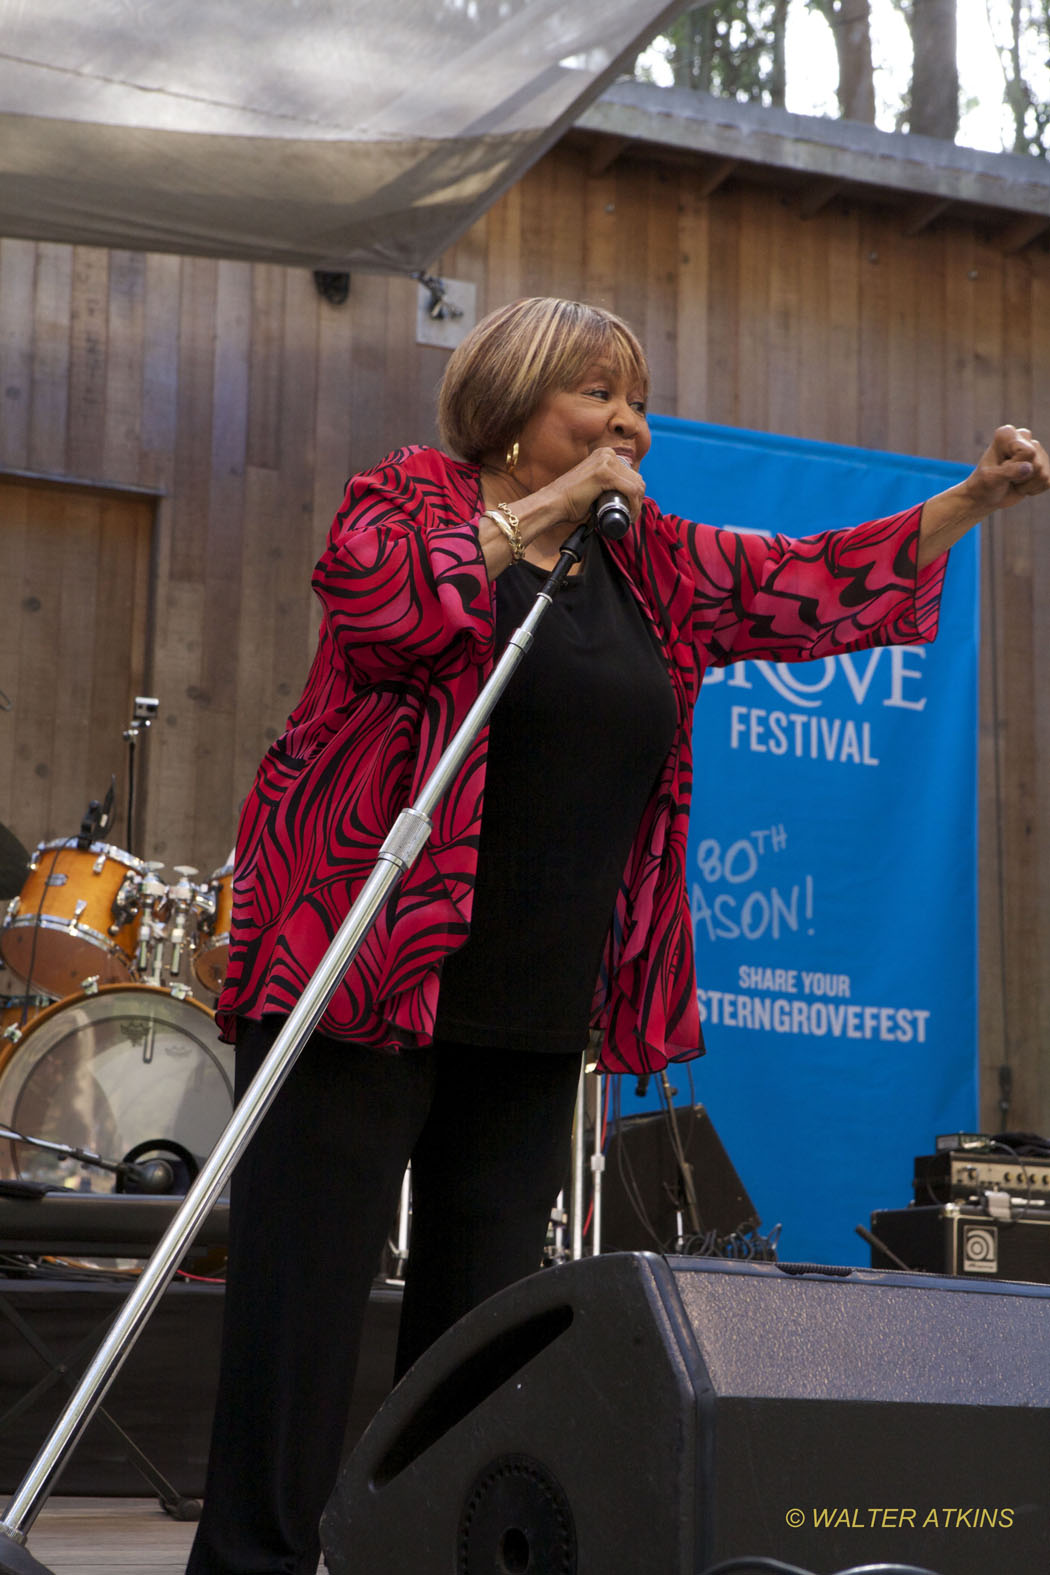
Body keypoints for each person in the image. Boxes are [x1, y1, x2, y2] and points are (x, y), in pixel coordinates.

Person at [186, 297, 1048, 1575]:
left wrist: (970, 500)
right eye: (598, 395)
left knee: (475, 1342)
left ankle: (414, 1555)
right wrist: (544, 512)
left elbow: (803, 587)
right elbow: (394, 612)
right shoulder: (409, 499)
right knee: (299, 1317)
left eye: (637, 400)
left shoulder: (645, 561)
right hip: (363, 982)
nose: (629, 423)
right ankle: (250, 1563)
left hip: (531, 1014)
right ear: (514, 406)